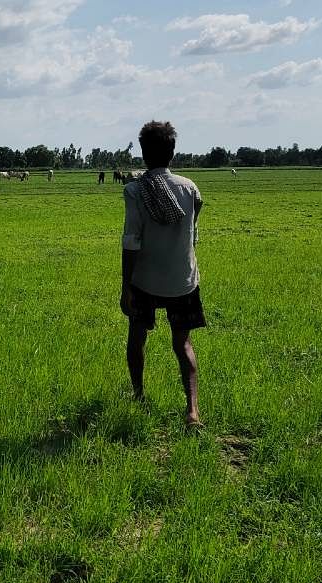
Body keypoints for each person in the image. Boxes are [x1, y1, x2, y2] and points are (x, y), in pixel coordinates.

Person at [120, 121, 205, 428]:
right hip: (183, 281)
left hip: (145, 281)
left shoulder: (134, 190)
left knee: (137, 337)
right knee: (183, 343)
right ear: (173, 152)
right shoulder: (191, 188)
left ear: (143, 153)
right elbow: (193, 236)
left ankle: (139, 396)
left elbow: (131, 241)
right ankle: (193, 410)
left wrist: (125, 286)